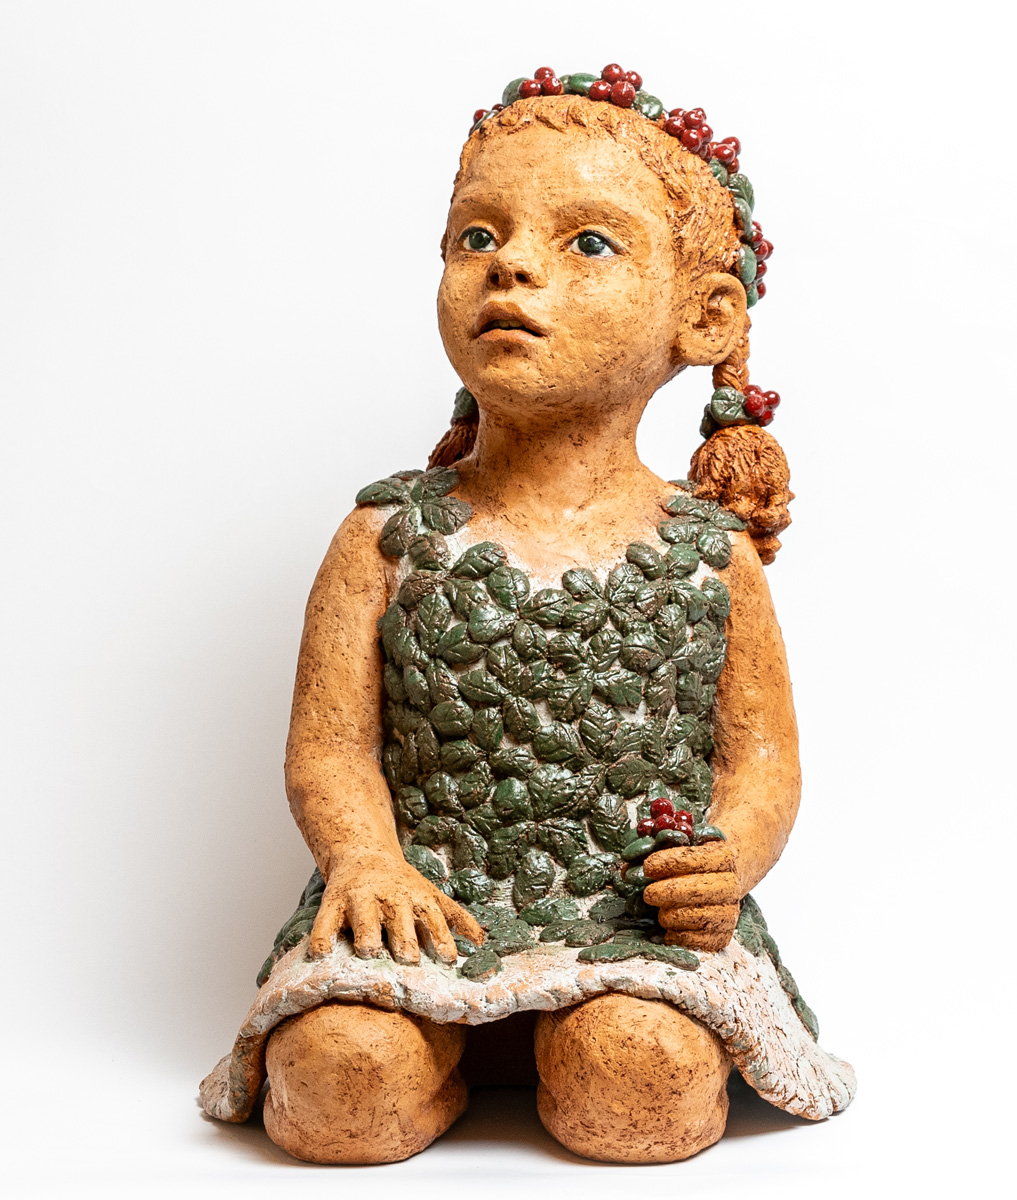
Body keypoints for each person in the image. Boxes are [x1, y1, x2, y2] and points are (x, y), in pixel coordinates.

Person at [200, 64, 855, 1165]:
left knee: (638, 1078)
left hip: (633, 925)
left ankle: (573, 1048)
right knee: (338, 1082)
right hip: (422, 912)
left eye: (588, 242)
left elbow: (761, 763)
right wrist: (365, 860)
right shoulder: (385, 537)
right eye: (477, 236)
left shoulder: (710, 555)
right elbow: (331, 748)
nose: (509, 264)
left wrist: (726, 863)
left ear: (704, 316)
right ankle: (439, 1062)